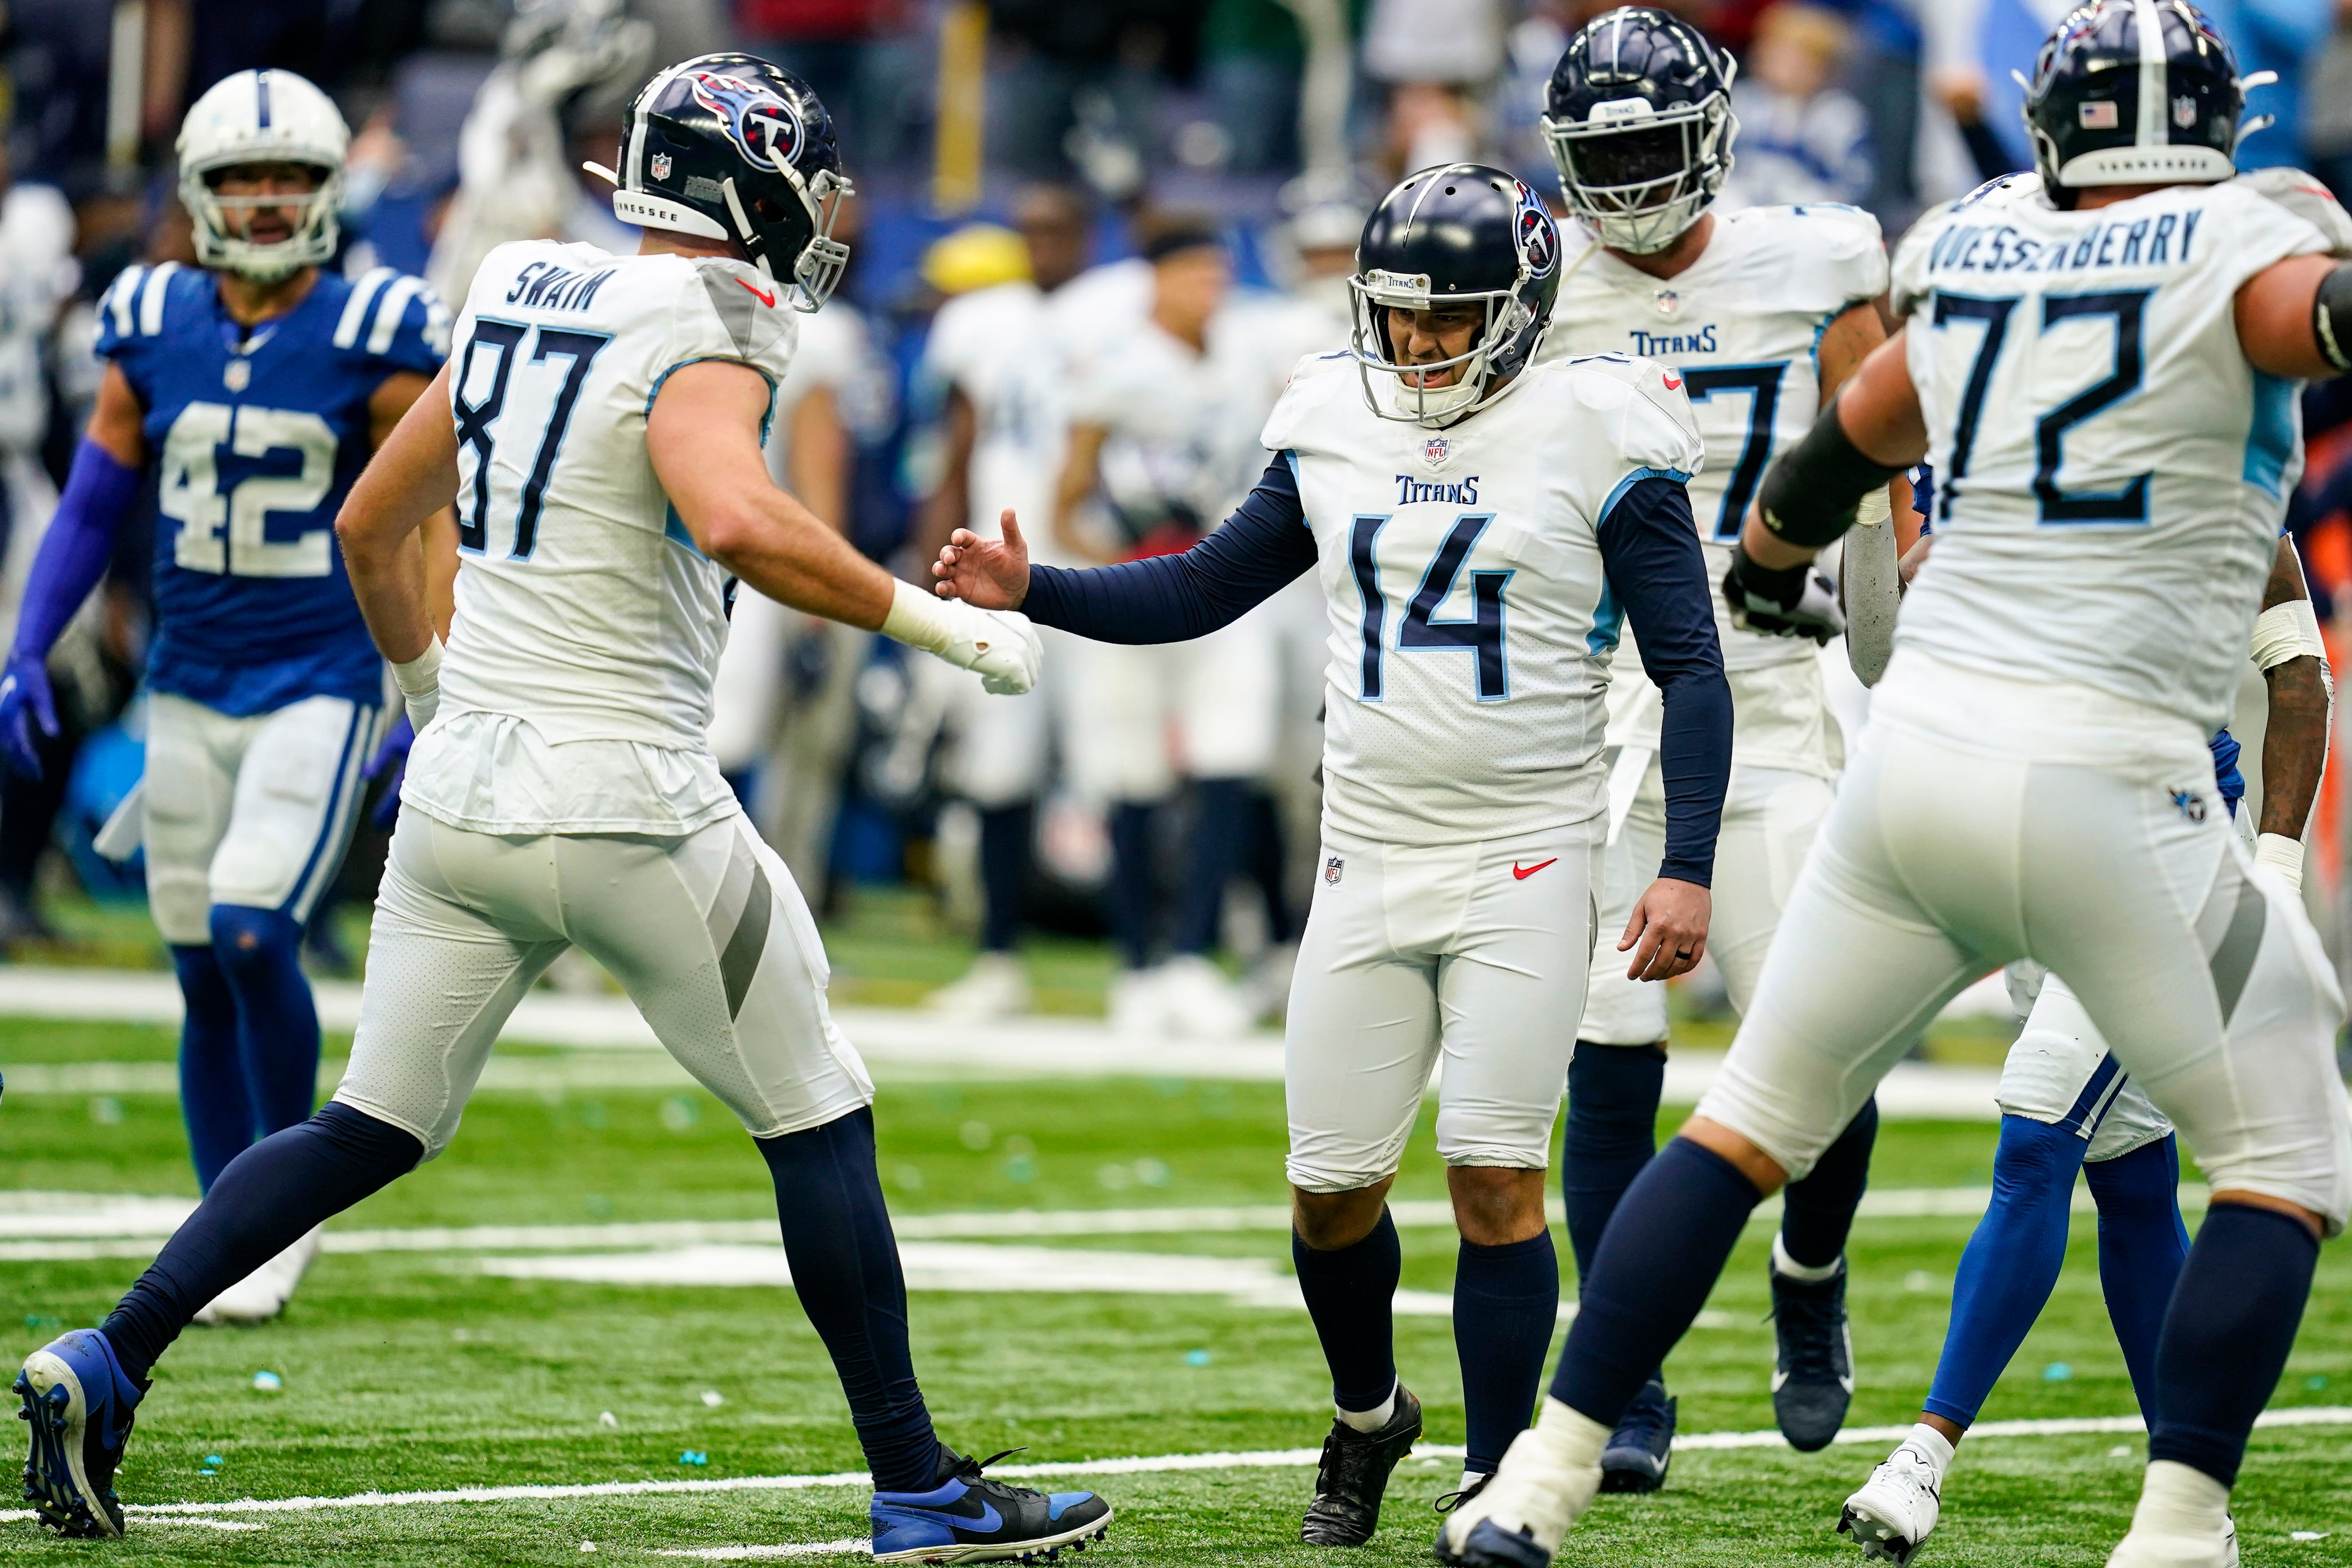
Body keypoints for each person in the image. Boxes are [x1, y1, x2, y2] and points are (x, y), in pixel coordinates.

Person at [14, 57, 1113, 1564]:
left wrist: (429, 703)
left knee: (365, 1119)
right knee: (820, 1110)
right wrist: (945, 629)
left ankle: (110, 1350)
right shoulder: (719, 317)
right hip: (628, 799)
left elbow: (371, 522)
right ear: (743, 186)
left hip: (467, 788)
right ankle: (919, 1481)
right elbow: (731, 513)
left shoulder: (523, 281)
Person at [1438, 7, 2352, 1567]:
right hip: (2113, 786)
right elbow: (2307, 314)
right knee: (2291, 1154)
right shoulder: (2240, 249)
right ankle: (2181, 1520)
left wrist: (1776, 565)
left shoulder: (1967, 256)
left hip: (1913, 767)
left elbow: (1826, 466)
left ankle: (1543, 1472)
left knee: (1737, 1126)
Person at [931, 163, 1732, 1543]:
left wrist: (1688, 859)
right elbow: (1202, 585)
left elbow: (1692, 666)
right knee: (1329, 1193)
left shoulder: (1601, 426)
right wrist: (1035, 590)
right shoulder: (1330, 412)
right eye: (1401, 315)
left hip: (1529, 845)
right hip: (1368, 846)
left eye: (1449, 316)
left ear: (1523, 305)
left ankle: (1497, 1479)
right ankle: (1371, 1413)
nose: (1418, 342)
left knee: (1494, 1173)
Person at [0, 70, 451, 1323]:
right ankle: (227, 1215)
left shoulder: (379, 327)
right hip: (187, 678)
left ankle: (280, 1214)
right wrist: (28, 642)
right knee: (201, 962)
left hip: (321, 671)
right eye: (244, 178)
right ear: (198, 192)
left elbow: (429, 520)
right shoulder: (147, 316)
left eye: (293, 178)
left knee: (257, 927)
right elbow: (95, 499)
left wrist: (433, 689)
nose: (266, 201)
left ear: (329, 191)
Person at [1534, 5, 1912, 1486]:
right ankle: (1624, 1380)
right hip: (1602, 696)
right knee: (1607, 1043)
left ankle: (1810, 1275)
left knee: (1824, 1039)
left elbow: (1886, 450)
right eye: (1601, 154)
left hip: (1773, 678)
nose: (1627, 180)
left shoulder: (1819, 257)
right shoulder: (1538, 271)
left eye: (1649, 144)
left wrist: (1897, 615)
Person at [1836, 536, 2333, 1565]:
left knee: (2038, 1122)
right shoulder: (2006, 468)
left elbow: (2297, 672)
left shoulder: (2214, 469)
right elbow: (1895, 644)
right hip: (2031, 858)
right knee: (2131, 1179)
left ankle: (1924, 1452)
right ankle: (2195, 1509)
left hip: (2160, 856)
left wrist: (2276, 872)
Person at [1044, 215, 1283, 1037]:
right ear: (1156, 280)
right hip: (1143, 586)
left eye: (1217, 276)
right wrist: (1122, 553)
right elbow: (1066, 501)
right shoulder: (1117, 367)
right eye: (1192, 276)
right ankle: (1137, 964)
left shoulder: (1246, 356)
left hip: (1226, 584)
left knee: (1231, 756)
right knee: (1132, 774)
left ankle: (1190, 956)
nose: (1207, 292)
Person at [916, 185, 1093, 1021]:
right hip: (998, 576)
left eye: (1056, 228)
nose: (1042, 243)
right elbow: (958, 446)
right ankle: (997, 955)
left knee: (1121, 763)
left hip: (1100, 569)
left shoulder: (1121, 310)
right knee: (998, 758)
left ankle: (1156, 962)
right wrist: (934, 567)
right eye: (1031, 230)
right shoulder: (984, 322)